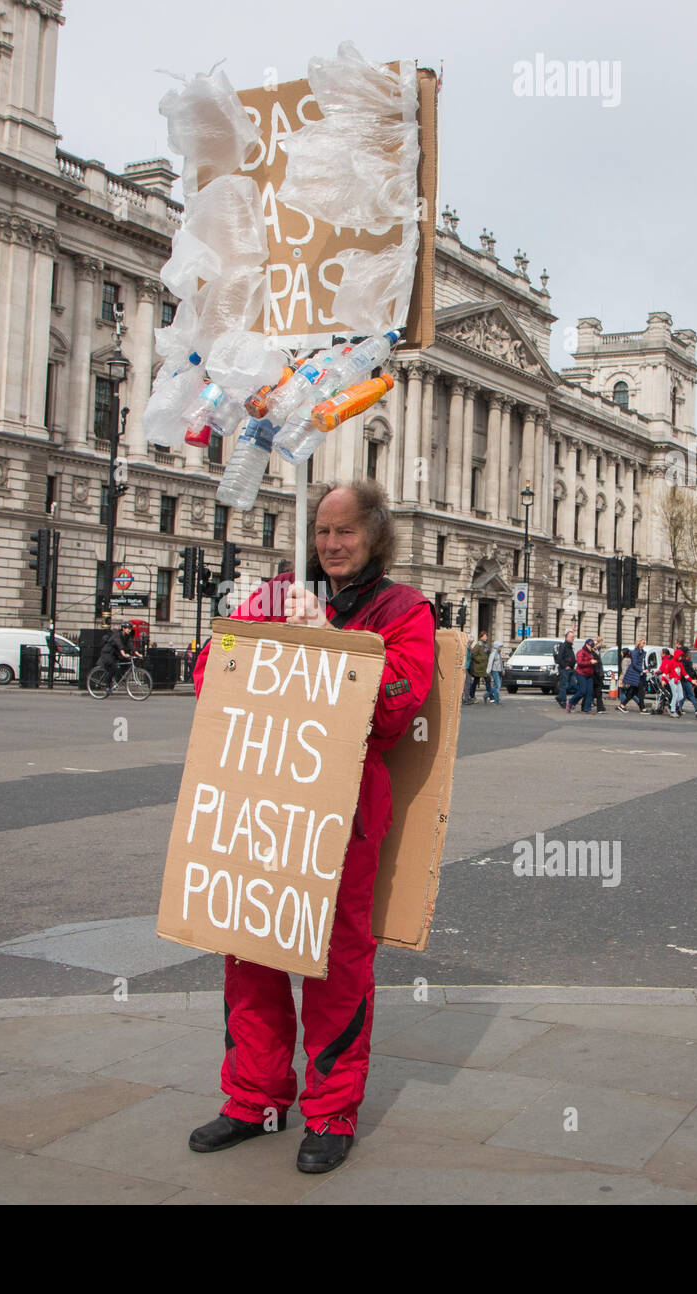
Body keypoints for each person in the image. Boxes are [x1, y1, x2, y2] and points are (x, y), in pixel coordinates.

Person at [187, 481, 434, 1175]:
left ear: (375, 535)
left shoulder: (404, 609)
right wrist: (274, 631)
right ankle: (254, 1100)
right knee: (250, 946)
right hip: (262, 801)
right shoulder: (274, 595)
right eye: (322, 532)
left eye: (345, 532)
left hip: (347, 807)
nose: (330, 544)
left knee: (336, 962)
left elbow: (393, 708)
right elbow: (213, 672)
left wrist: (329, 642)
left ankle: (331, 1114)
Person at [567, 637, 597, 713]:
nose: (591, 647)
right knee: (582, 691)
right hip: (581, 673)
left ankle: (587, 708)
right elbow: (580, 663)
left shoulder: (591, 653)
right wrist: (590, 662)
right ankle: (571, 702)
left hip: (589, 674)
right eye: (590, 646)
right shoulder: (581, 652)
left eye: (592, 646)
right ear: (586, 645)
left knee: (590, 692)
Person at [619, 639, 646, 712]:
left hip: (640, 674)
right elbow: (634, 664)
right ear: (639, 643)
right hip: (635, 674)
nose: (644, 644)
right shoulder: (635, 652)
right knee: (641, 692)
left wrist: (647, 669)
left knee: (632, 691)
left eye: (644, 643)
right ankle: (642, 708)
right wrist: (642, 670)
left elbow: (643, 663)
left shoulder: (643, 652)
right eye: (643, 643)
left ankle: (622, 704)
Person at [464, 632, 489, 704]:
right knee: (469, 682)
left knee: (472, 682)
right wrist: (480, 660)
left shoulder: (484, 645)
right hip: (476, 667)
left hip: (480, 667)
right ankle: (467, 698)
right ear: (481, 637)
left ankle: (469, 696)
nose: (486, 637)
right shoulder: (478, 645)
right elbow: (473, 655)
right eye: (485, 636)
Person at [554, 631, 576, 709]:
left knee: (573, 685)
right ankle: (563, 701)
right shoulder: (563, 646)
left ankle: (560, 697)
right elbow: (560, 658)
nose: (573, 639)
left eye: (573, 637)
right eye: (572, 637)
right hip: (565, 669)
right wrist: (565, 666)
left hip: (571, 669)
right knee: (564, 685)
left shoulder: (570, 646)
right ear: (567, 638)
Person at [592, 636, 607, 713]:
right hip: (595, 674)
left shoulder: (598, 651)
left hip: (598, 673)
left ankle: (600, 707)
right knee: (595, 691)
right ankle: (600, 707)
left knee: (597, 691)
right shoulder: (593, 652)